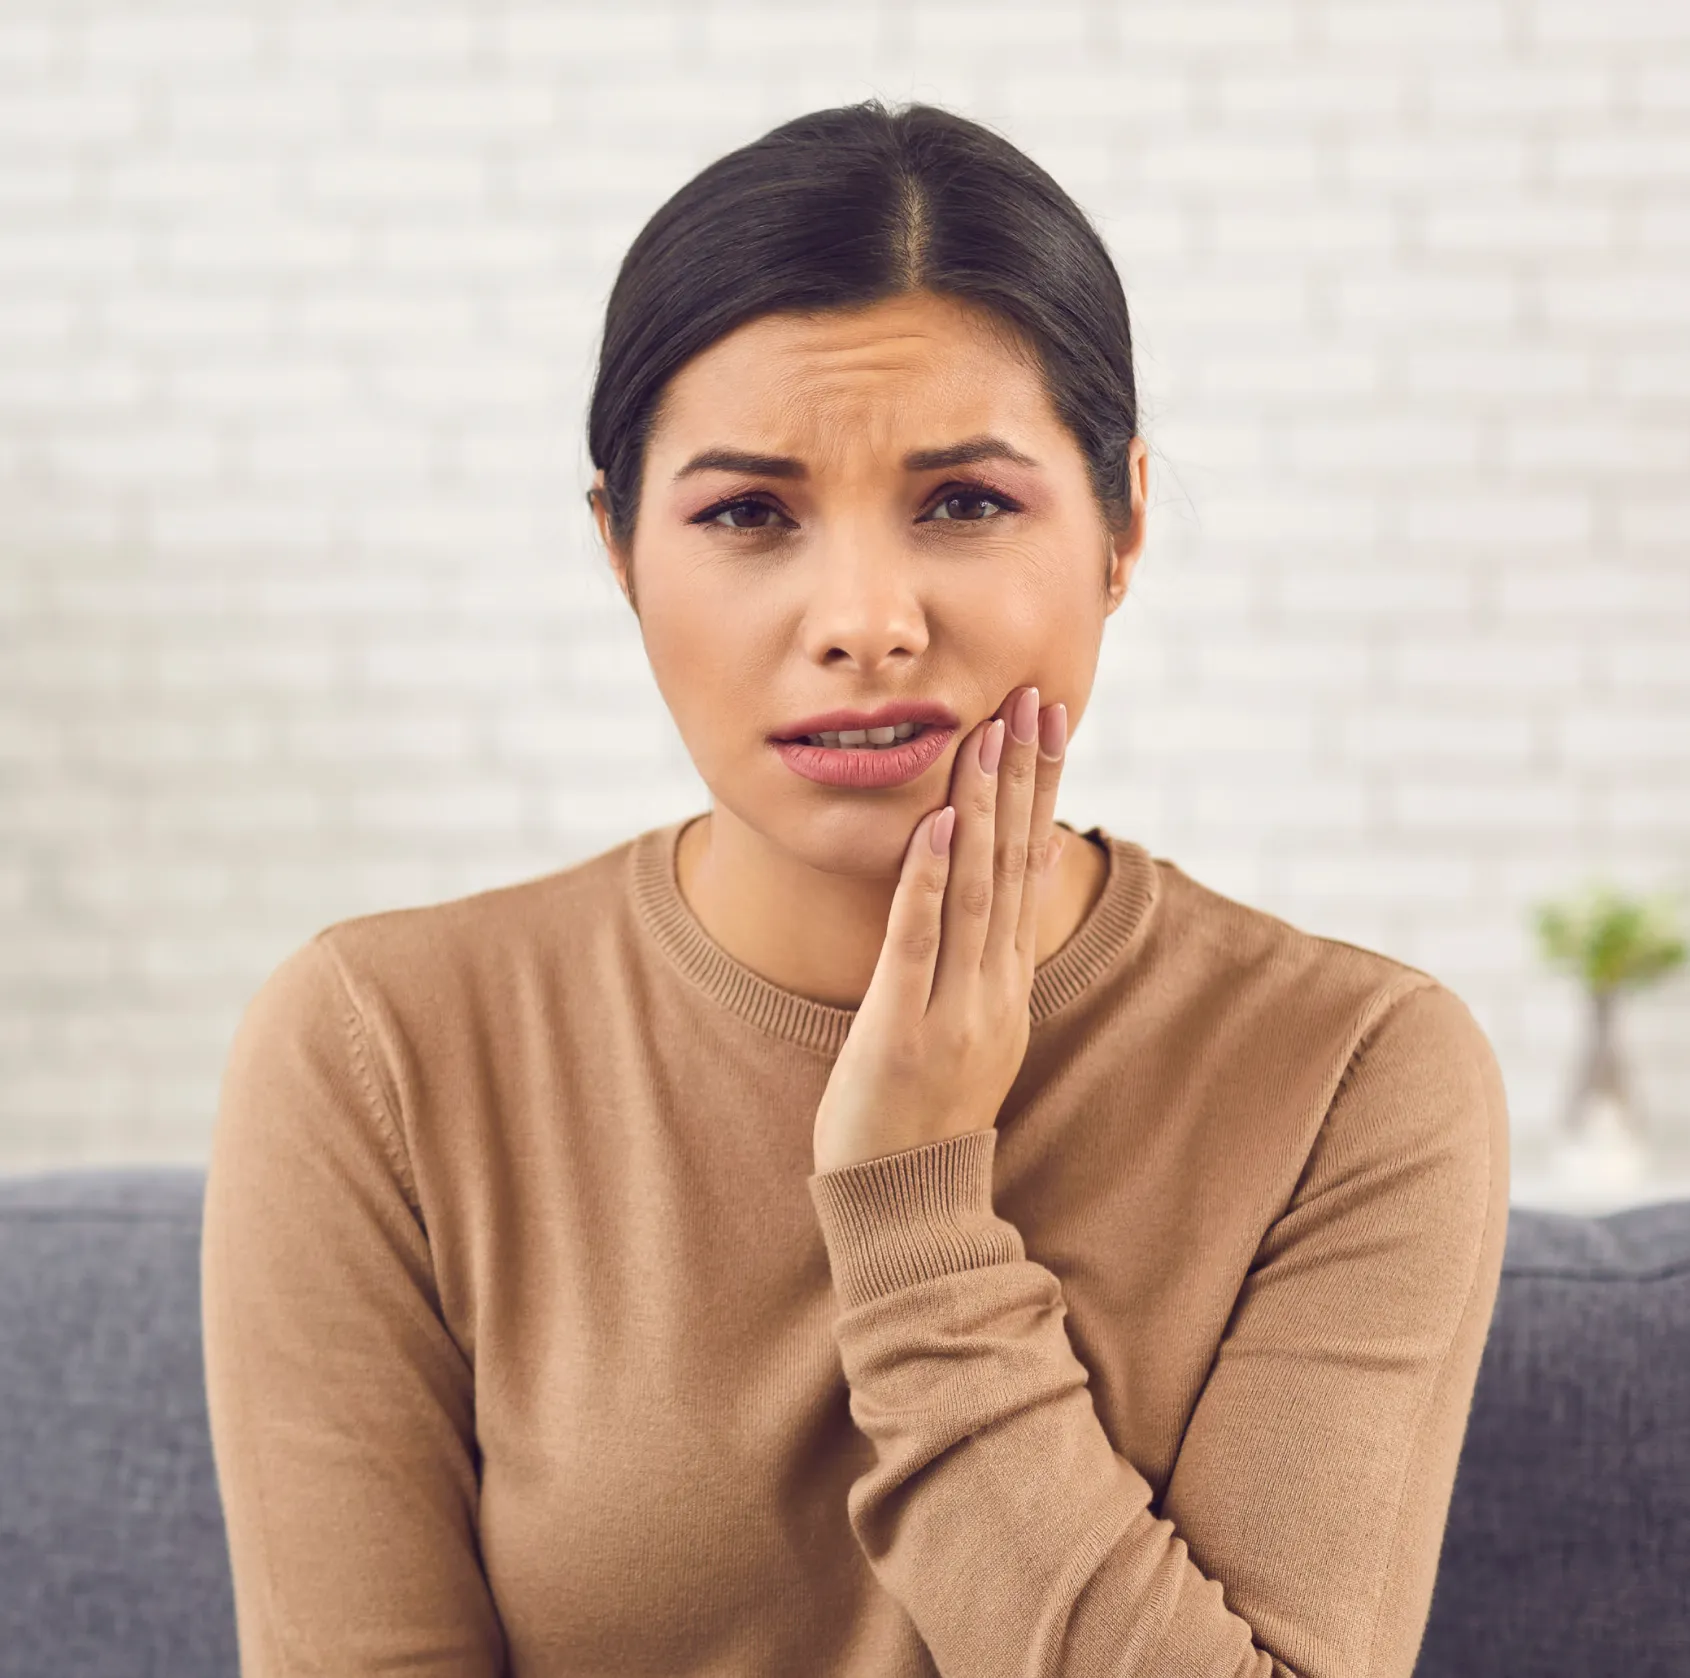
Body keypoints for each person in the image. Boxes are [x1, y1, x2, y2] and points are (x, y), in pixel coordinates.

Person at [201, 100, 1510, 1677]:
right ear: (619, 551)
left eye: (964, 503)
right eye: (747, 513)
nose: (865, 621)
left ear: (1122, 526)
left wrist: (912, 1214)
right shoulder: (380, 1047)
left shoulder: (1352, 1071)